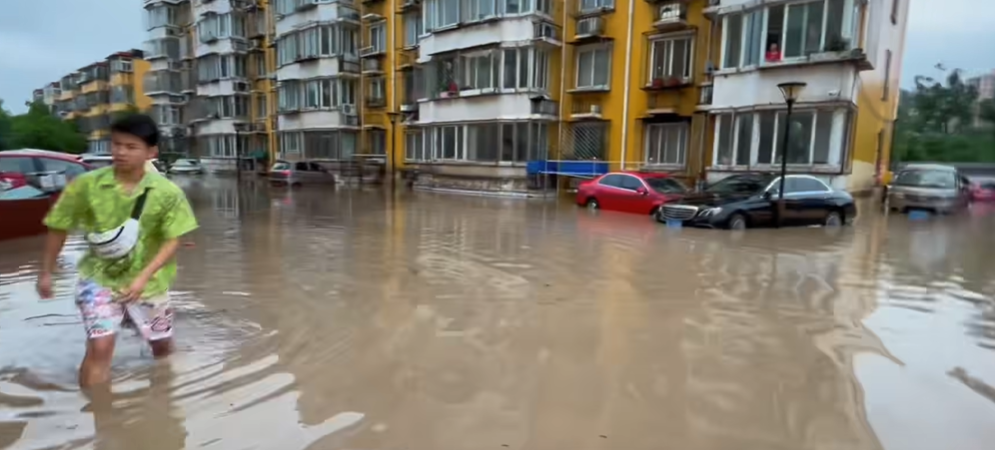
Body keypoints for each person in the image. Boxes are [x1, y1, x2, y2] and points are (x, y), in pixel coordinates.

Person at [35, 114, 198, 388]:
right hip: (98, 280)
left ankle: (165, 398)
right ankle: (99, 418)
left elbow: (173, 239)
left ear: (151, 152)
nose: (121, 152)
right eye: (116, 144)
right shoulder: (86, 186)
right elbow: (58, 227)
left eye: (131, 147)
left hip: (151, 285)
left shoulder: (167, 193)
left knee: (161, 346)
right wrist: (46, 272)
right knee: (99, 348)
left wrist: (143, 277)